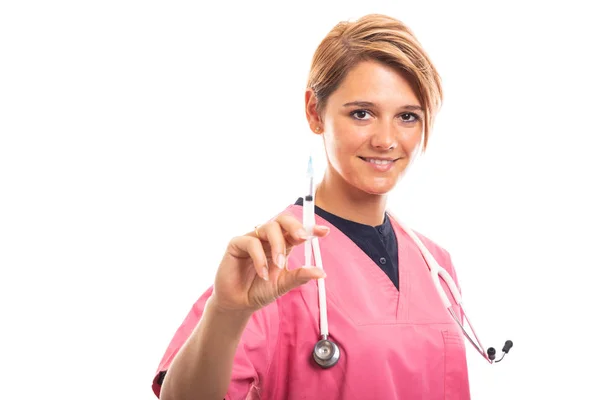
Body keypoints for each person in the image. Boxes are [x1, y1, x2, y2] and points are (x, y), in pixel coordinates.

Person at [152, 13, 471, 400]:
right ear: (315, 112)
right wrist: (226, 311)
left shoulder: (436, 266)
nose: (387, 139)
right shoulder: (276, 257)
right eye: (362, 113)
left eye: (407, 116)